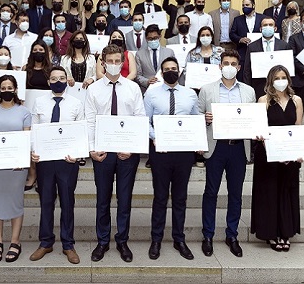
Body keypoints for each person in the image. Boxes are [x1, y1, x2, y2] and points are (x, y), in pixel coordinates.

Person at [85, 44, 145, 263]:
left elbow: (140, 118)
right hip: (102, 152)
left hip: (127, 152)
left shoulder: (133, 88)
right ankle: (102, 241)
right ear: (103, 63)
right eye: (109, 61)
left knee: (125, 198)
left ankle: (122, 240)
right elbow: (90, 121)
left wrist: (132, 148)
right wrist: (92, 149)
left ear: (123, 62)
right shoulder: (93, 90)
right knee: (102, 198)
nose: (113, 64)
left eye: (117, 60)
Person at [198, 50, 256, 258]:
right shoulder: (206, 90)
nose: (229, 66)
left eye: (233, 63)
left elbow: (253, 119)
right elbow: (197, 115)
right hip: (216, 147)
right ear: (220, 66)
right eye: (226, 63)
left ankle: (232, 234)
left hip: (239, 148)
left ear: (239, 67)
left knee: (236, 194)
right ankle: (208, 235)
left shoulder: (249, 91)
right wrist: (204, 118)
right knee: (211, 192)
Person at [144, 56, 198, 261]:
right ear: (161, 71)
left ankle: (179, 239)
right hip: (161, 152)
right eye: (166, 69)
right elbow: (144, 120)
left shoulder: (190, 94)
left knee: (180, 197)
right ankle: (156, 239)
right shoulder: (151, 94)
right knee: (160, 197)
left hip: (184, 153)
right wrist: (156, 137)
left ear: (180, 70)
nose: (170, 71)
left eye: (174, 68)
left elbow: (195, 120)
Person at [30, 66, 84, 264]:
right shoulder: (39, 102)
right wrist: (33, 152)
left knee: (67, 202)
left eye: (62, 78)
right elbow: (34, 129)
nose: (58, 81)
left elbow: (81, 131)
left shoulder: (76, 103)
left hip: (67, 161)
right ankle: (46, 242)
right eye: (54, 78)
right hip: (44, 160)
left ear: (66, 80)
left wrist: (77, 155)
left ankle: (68, 244)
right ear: (48, 82)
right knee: (46, 201)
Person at [251, 65, 303, 252]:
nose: (280, 80)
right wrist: (275, 152)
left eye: (284, 77)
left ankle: (285, 233)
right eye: (276, 77)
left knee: (286, 193)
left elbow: (297, 127)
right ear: (270, 81)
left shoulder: (297, 100)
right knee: (269, 193)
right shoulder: (262, 100)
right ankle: (270, 234)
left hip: (289, 156)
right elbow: (261, 130)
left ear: (288, 79)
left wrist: (294, 152)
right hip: (268, 156)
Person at [0, 74, 31, 262]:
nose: (7, 91)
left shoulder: (24, 111)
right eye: (3, 88)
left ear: (15, 90)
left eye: (10, 88)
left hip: (16, 166)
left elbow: (26, 139)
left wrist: (23, 159)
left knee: (16, 202)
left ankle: (15, 241)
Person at [243, 17, 291, 99]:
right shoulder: (252, 46)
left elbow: (288, 67)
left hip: (279, 85)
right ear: (261, 29)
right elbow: (247, 69)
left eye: (270, 25)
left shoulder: (284, 45)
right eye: (265, 25)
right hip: (259, 85)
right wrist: (248, 88)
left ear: (275, 28)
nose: (268, 27)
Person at [230, 0, 265, 81]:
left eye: (247, 5)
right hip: (243, 52)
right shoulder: (238, 19)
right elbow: (232, 34)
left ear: (253, 5)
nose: (244, 7)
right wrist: (240, 39)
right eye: (243, 5)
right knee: (242, 76)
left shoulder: (263, 18)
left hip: (259, 52)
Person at [135, 24, 175, 93]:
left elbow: (174, 71)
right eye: (150, 39)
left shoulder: (169, 52)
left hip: (166, 89)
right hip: (147, 90)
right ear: (146, 38)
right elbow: (138, 75)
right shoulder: (139, 54)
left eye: (155, 38)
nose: (153, 40)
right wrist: (147, 81)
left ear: (160, 37)